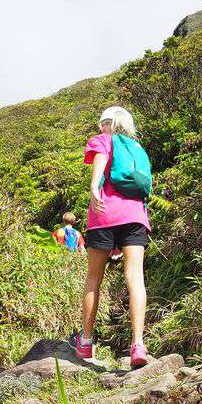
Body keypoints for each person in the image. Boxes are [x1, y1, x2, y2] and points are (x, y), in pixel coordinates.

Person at [69, 106, 150, 367]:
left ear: (109, 123)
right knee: (135, 277)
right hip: (135, 216)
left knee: (94, 277)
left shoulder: (105, 140)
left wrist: (94, 186)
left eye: (102, 123)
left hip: (104, 214)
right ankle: (138, 343)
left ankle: (85, 342)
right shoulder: (138, 149)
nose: (100, 128)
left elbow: (101, 160)